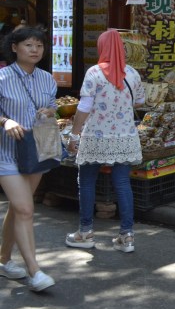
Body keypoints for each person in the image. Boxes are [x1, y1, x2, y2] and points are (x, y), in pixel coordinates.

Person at [65, 30, 145, 254]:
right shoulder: (132, 73)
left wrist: (74, 135)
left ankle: (85, 232)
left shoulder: (94, 72)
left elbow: (84, 107)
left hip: (96, 136)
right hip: (125, 136)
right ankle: (127, 236)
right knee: (122, 183)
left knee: (87, 182)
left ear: (102, 47)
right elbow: (140, 101)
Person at [0, 26, 56, 291]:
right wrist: (5, 121)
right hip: (5, 152)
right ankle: (35, 272)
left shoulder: (48, 79)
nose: (35, 50)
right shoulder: (2, 77)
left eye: (39, 45)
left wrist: (50, 112)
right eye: (28, 45)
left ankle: (4, 260)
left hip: (36, 152)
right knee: (25, 209)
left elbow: (53, 107)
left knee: (18, 208)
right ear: (15, 48)